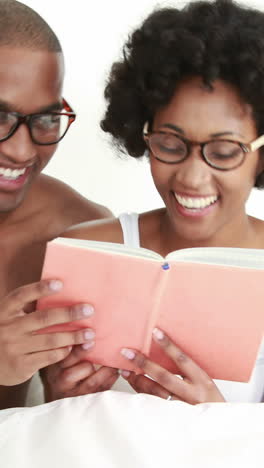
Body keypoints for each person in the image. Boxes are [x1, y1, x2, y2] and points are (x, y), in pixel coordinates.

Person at [42, 0, 264, 404]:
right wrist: (59, 393)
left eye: (225, 150)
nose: (192, 177)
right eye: (170, 143)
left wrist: (220, 421)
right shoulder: (87, 250)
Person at [0, 0, 117, 409]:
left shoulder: (83, 235)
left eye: (46, 119)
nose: (21, 150)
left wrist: (66, 396)